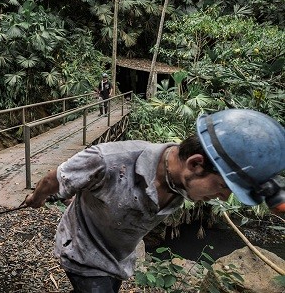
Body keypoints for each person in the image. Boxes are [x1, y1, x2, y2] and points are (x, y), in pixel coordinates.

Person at [23, 109, 285, 292]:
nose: (223, 198)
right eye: (223, 188)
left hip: (120, 257)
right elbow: (53, 179)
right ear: (195, 164)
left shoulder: (181, 180)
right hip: (83, 249)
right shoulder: (107, 161)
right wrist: (37, 198)